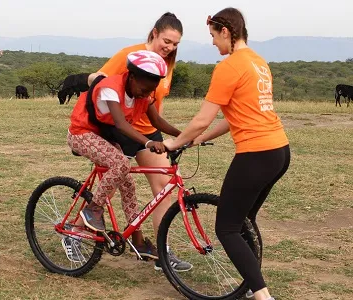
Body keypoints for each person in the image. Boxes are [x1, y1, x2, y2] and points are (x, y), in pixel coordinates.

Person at [163, 7, 290, 300]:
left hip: (256, 153)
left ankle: (262, 296)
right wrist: (199, 140)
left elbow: (202, 118)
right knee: (243, 220)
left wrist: (175, 142)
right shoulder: (258, 62)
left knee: (227, 228)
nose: (212, 43)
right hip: (279, 151)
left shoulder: (229, 66)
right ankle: (251, 284)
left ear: (226, 32)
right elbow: (234, 117)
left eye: (213, 36)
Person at [85, 12, 192, 272]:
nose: (170, 47)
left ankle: (162, 252)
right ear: (154, 33)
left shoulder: (168, 64)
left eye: (176, 44)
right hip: (120, 131)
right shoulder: (129, 55)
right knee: (108, 189)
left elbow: (154, 104)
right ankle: (76, 233)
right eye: (167, 41)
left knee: (164, 188)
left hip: (148, 132)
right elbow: (95, 79)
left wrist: (179, 135)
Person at [64, 50, 181, 263]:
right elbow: (121, 124)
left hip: (104, 137)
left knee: (128, 184)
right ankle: (92, 212)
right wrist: (147, 142)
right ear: (132, 77)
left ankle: (137, 239)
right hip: (82, 133)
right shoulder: (111, 88)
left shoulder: (144, 92)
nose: (146, 95)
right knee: (120, 164)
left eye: (151, 90)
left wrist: (183, 135)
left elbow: (157, 122)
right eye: (144, 89)